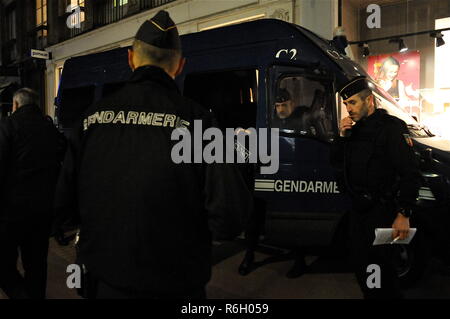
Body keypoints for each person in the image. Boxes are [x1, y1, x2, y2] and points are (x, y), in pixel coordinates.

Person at [55, 10, 251, 299]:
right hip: (174, 283)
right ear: (180, 66)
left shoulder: (90, 119)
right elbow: (230, 217)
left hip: (105, 282)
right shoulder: (198, 122)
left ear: (131, 59)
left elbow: (63, 205)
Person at [331, 76, 422, 299]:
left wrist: (404, 213)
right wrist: (342, 137)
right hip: (359, 213)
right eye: (345, 104)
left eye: (352, 103)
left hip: (382, 213)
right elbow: (336, 164)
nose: (348, 109)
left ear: (369, 101)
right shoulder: (354, 131)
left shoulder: (390, 129)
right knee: (363, 267)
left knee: (383, 270)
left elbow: (410, 172)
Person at [0, 88, 65, 299]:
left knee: (3, 264)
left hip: (11, 211)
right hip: (43, 210)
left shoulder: (7, 126)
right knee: (37, 265)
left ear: (15, 105)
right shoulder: (51, 130)